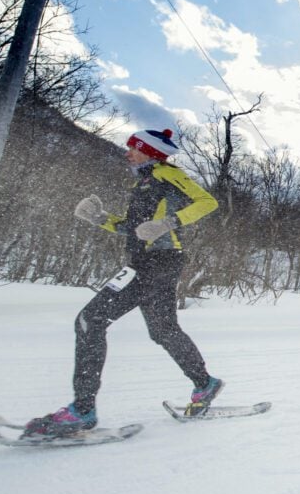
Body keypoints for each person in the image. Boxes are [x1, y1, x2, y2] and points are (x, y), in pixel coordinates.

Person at [24, 128, 221, 437]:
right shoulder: (142, 182)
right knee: (163, 330)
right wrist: (100, 218)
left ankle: (82, 411)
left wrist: (167, 223)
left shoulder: (167, 173)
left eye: (134, 148)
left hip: (158, 261)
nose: (127, 153)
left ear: (150, 151)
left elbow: (207, 202)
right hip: (148, 262)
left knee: (90, 320)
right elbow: (133, 229)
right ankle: (205, 384)